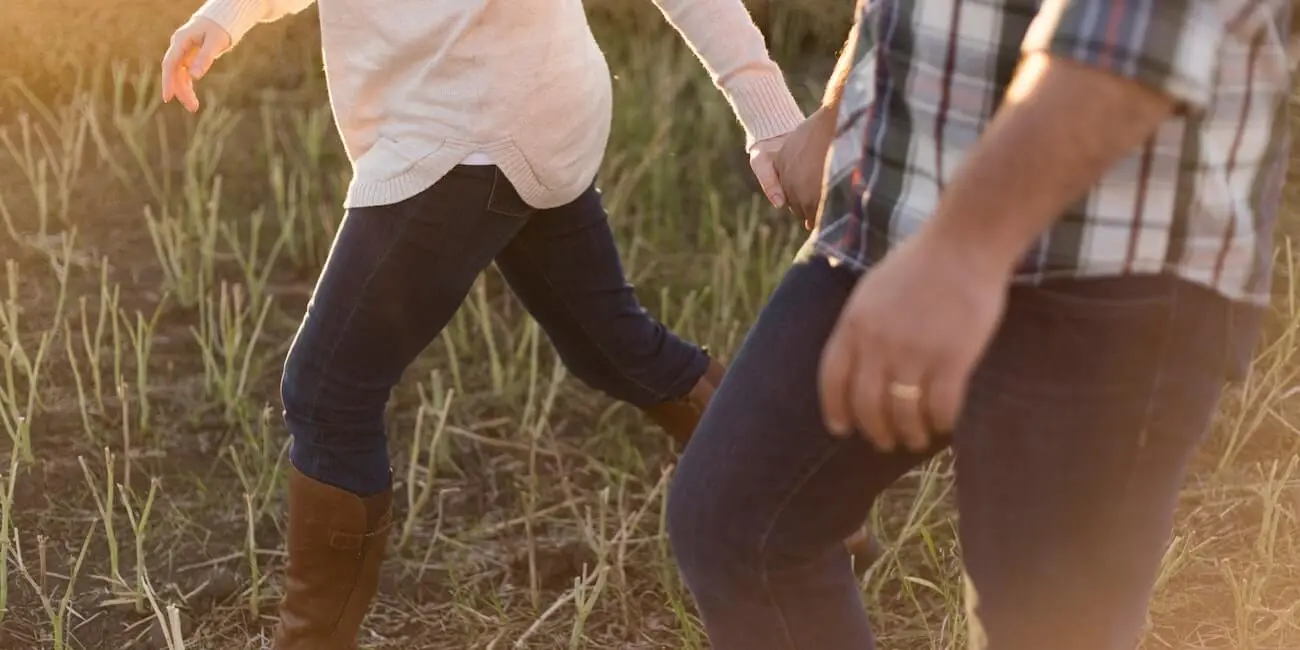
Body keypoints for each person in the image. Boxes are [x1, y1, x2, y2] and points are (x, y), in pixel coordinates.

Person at [666, 1, 1293, 649]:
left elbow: (1140, 35)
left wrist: (962, 253)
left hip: (1107, 262)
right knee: (739, 524)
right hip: (900, 211)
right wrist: (846, 97)